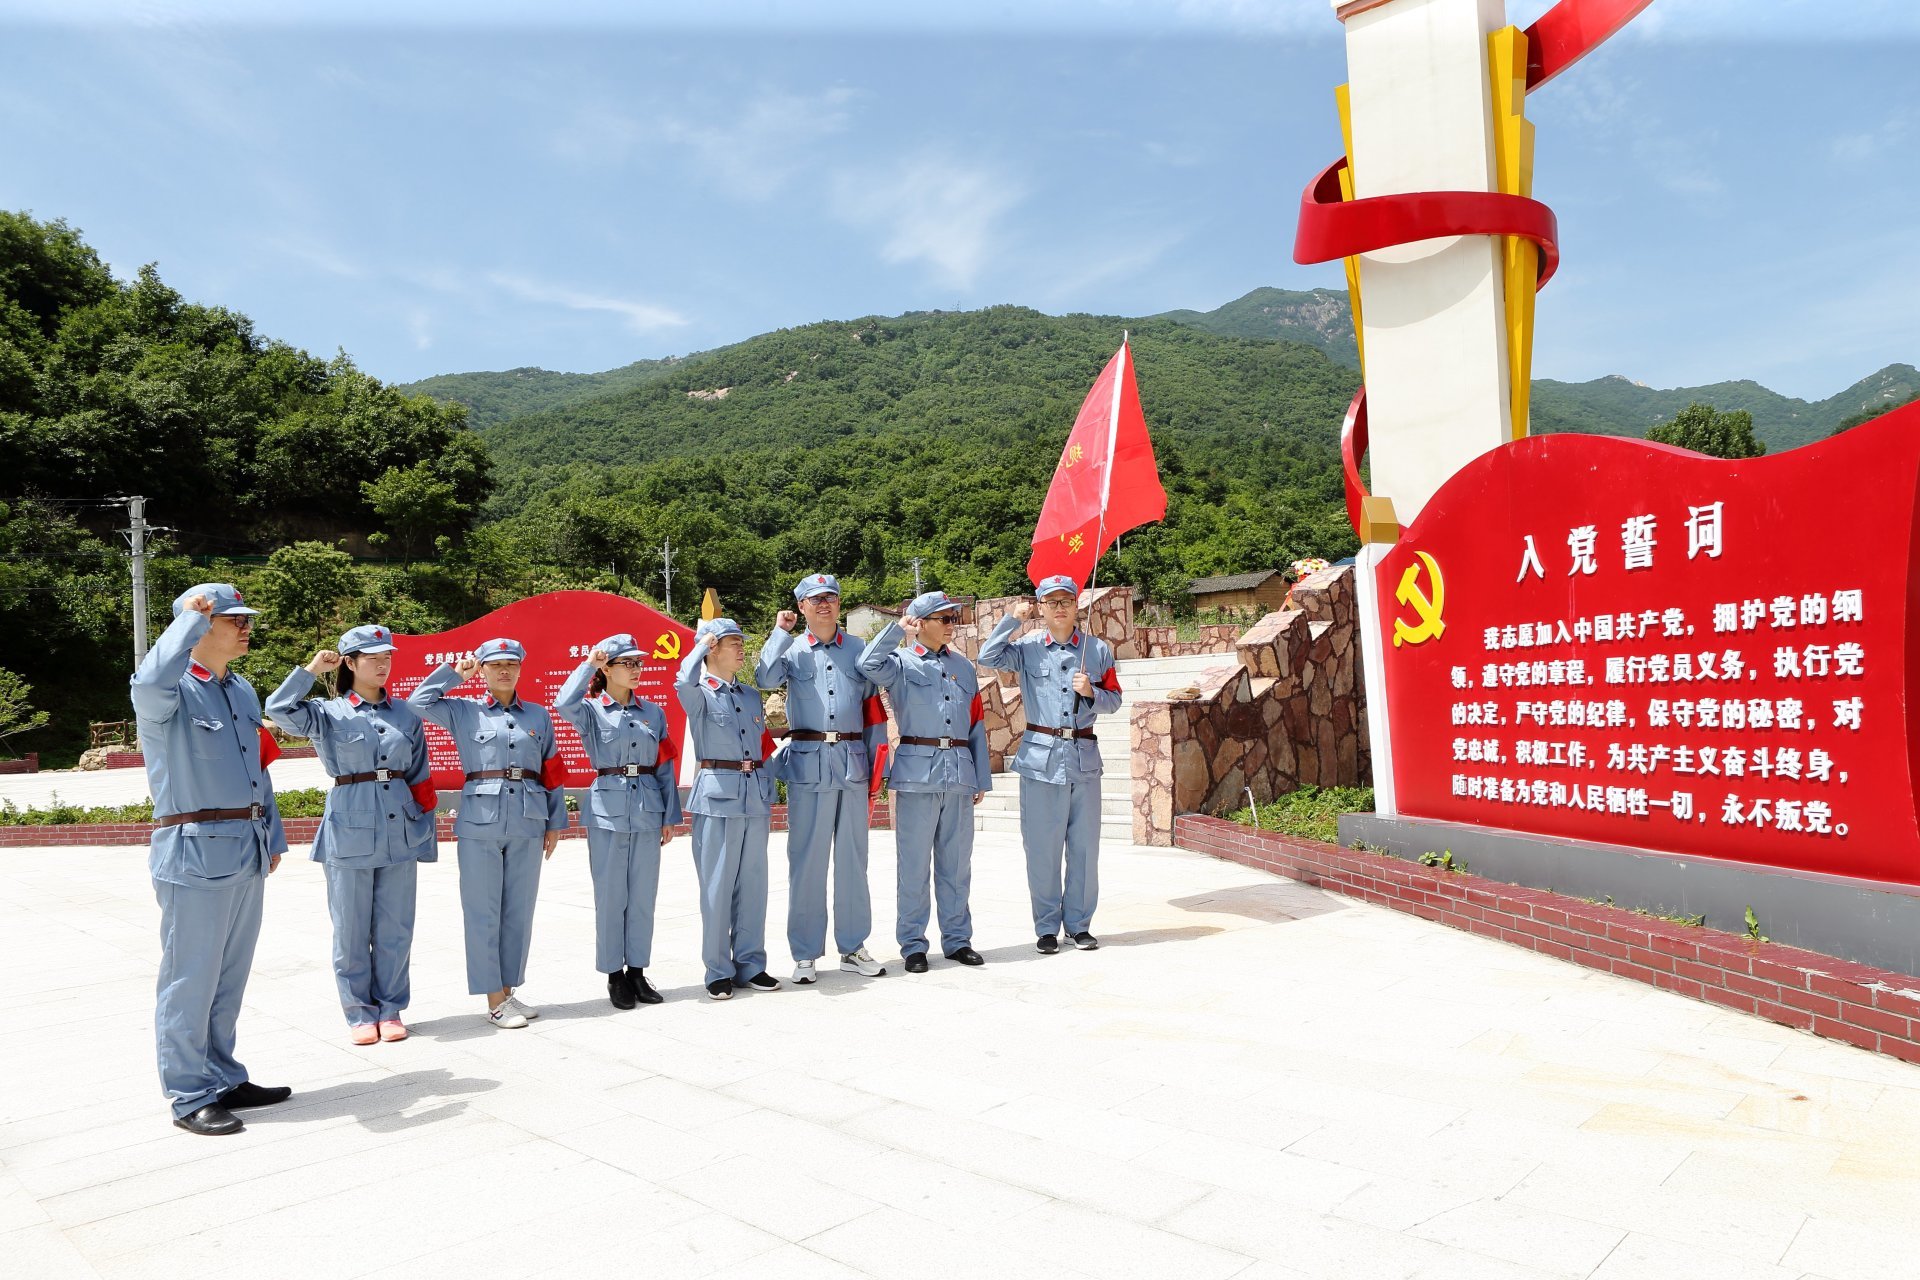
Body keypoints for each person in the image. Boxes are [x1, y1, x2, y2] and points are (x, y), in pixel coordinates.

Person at [130, 583, 292, 1136]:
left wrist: (272, 834)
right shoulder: (168, 689)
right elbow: (149, 680)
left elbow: (258, 769)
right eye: (231, 619)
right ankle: (187, 1093)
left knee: (228, 977)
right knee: (189, 979)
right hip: (194, 850)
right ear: (196, 630)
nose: (245, 627)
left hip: (244, 848)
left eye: (246, 618)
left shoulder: (240, 690)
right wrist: (188, 623)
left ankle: (223, 1075)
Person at [265, 624, 437, 1043]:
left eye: (388, 656)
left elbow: (419, 775)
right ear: (350, 663)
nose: (383, 664)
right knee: (351, 927)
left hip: (400, 826)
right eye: (372, 657)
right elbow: (279, 709)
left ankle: (392, 1009)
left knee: (396, 926)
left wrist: (423, 832)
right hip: (350, 825)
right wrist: (310, 669)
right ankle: (360, 1011)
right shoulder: (328, 712)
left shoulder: (406, 713)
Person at [409, 638, 567, 1028]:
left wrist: (555, 822)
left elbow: (552, 772)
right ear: (481, 670)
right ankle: (494, 999)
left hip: (529, 819)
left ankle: (509, 991)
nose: (504, 671)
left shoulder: (537, 715)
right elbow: (417, 701)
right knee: (483, 911)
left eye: (511, 664)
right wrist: (452, 675)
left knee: (518, 911)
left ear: (520, 668)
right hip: (481, 821)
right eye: (495, 664)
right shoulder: (464, 711)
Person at [755, 574, 889, 984]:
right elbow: (764, 679)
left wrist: (876, 767)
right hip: (808, 766)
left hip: (851, 764)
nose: (825, 604)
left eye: (830, 597)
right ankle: (806, 953)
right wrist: (780, 632)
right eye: (815, 600)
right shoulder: (792, 651)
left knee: (853, 860)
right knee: (806, 862)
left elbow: (872, 713)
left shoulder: (858, 649)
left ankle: (852, 946)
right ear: (802, 608)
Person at [978, 576, 1123, 952]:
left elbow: (1114, 700)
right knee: (1042, 847)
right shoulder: (1027, 648)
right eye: (1051, 600)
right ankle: (1046, 927)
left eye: (1066, 600)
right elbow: (987, 657)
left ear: (1077, 605)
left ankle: (1079, 925)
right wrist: (1012, 620)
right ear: (1040, 607)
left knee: (1084, 848)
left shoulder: (1097, 650)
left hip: (1084, 758)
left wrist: (1091, 692)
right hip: (1040, 757)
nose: (1060, 606)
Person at [856, 590, 990, 973]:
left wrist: (980, 775)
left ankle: (958, 940)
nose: (952, 625)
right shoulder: (898, 662)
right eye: (944, 619)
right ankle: (913, 944)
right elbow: (867, 662)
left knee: (956, 864)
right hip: (917, 773)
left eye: (953, 618)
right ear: (920, 623)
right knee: (913, 866)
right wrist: (897, 631)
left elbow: (976, 724)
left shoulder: (963, 667)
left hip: (959, 772)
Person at [554, 633, 683, 1008]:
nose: (636, 669)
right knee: (611, 897)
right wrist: (587, 666)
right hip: (607, 808)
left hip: (647, 807)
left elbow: (664, 763)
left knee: (642, 897)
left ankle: (638, 973)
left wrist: (669, 815)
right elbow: (563, 702)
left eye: (638, 663)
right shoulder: (592, 710)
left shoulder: (653, 713)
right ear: (607, 668)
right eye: (627, 663)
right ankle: (614, 976)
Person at [675, 617, 779, 1001]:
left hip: (754, 796)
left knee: (754, 886)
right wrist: (700, 646)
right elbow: (681, 680)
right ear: (713, 648)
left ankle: (751, 964)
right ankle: (718, 970)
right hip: (717, 796)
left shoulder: (750, 696)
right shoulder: (699, 692)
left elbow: (762, 745)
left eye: (741, 642)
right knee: (717, 888)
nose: (741, 649)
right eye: (733, 642)